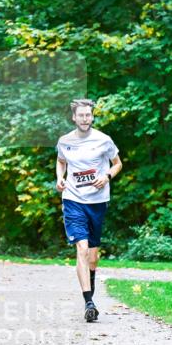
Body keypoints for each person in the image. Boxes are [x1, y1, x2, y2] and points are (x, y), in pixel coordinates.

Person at [55, 99, 122, 322]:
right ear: (74, 117)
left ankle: (89, 292)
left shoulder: (104, 140)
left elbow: (117, 163)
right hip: (73, 200)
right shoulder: (65, 141)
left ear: (92, 117)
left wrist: (107, 176)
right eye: (81, 115)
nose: (85, 119)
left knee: (93, 257)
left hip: (97, 202)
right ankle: (89, 302)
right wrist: (60, 178)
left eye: (88, 115)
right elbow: (61, 161)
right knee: (81, 249)